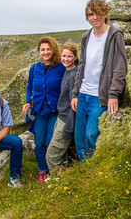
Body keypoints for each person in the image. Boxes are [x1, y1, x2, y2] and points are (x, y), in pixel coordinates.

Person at [68, 0, 127, 163]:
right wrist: (75, 93)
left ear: (106, 14)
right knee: (79, 136)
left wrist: (114, 94)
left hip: (100, 95)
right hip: (83, 93)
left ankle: (96, 166)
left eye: (98, 13)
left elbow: (120, 67)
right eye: (90, 14)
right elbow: (83, 66)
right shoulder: (86, 37)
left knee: (91, 133)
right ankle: (84, 168)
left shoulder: (115, 35)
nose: (94, 17)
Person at [22, 37, 66, 182]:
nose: (46, 52)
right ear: (39, 51)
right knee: (39, 144)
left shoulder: (61, 67)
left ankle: (55, 171)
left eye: (48, 49)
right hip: (39, 111)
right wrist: (28, 102)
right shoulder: (34, 68)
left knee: (50, 143)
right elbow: (29, 86)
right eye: (43, 50)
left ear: (53, 50)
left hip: (55, 111)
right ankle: (42, 172)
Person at [45, 42, 79, 173]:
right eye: (63, 56)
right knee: (62, 154)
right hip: (61, 117)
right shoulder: (67, 71)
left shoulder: (74, 76)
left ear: (75, 57)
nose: (65, 59)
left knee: (52, 155)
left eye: (69, 56)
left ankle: (58, 182)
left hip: (66, 121)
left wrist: (69, 129)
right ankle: (65, 179)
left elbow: (74, 105)